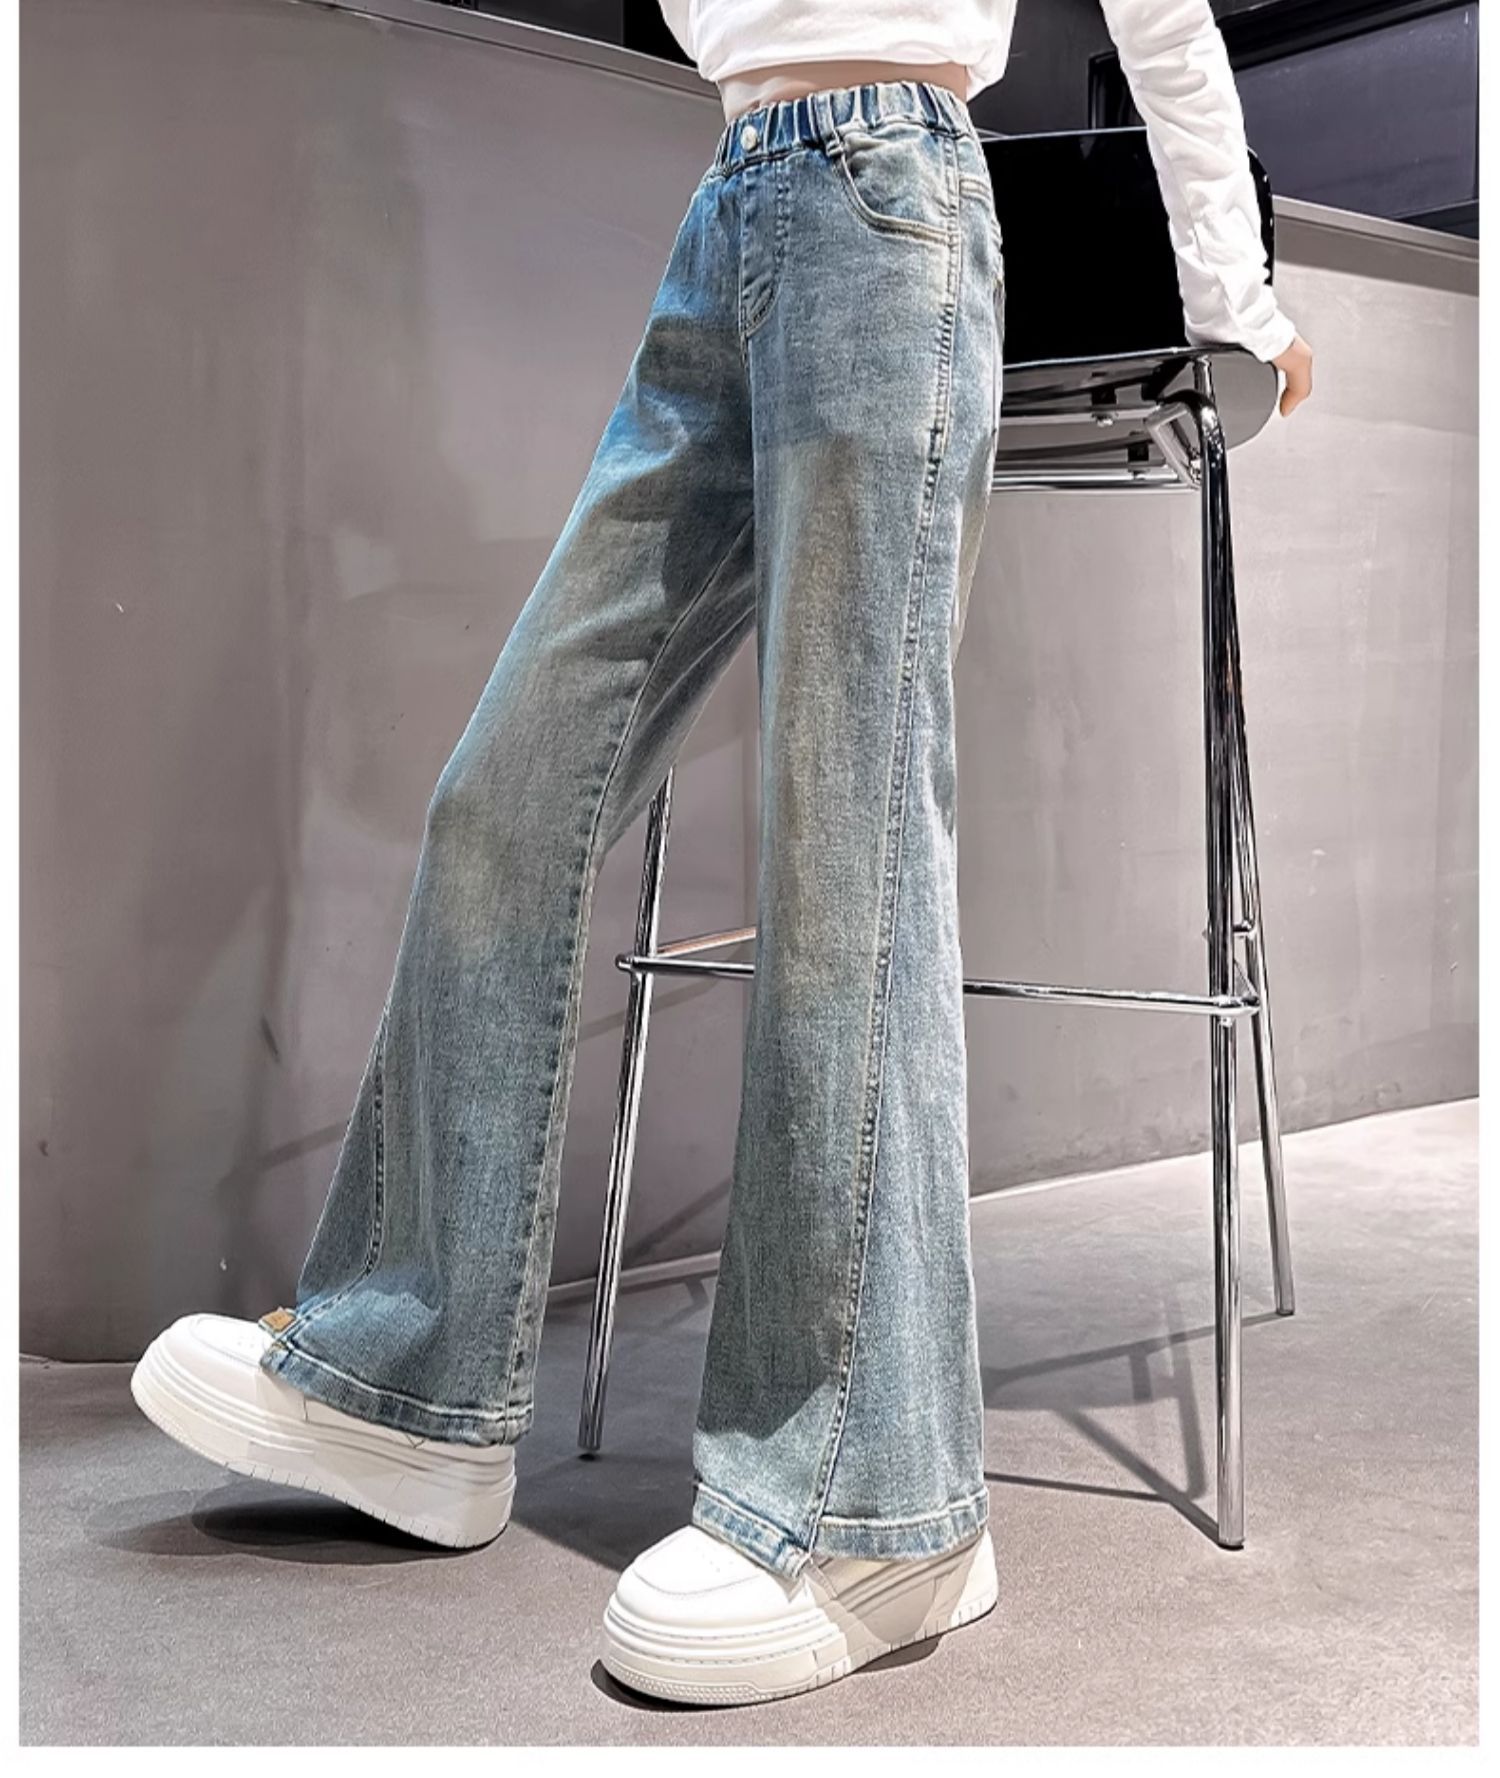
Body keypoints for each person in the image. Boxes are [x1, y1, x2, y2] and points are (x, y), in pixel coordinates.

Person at [130, 0, 1312, 1710]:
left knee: (850, 850)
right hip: (737, 207)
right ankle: (411, 1382)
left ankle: (874, 1505)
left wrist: (1237, 301)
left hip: (893, 198)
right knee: (507, 796)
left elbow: (1166, 17)